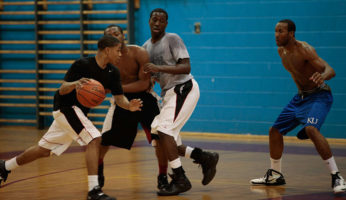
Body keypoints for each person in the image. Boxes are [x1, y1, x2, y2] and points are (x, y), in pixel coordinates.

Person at [0, 35, 143, 200]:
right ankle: (94, 190)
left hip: (78, 113)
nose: (120, 54)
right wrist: (76, 83)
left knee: (44, 150)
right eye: (118, 51)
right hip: (66, 107)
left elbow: (119, 98)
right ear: (107, 50)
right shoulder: (82, 65)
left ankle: (5, 166)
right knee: (94, 139)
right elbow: (62, 89)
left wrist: (129, 106)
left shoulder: (113, 72)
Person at [250, 19, 346, 194]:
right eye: (275, 31)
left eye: (281, 31)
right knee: (275, 131)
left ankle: (336, 176)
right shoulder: (281, 51)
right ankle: (275, 175)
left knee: (310, 129)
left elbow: (330, 69)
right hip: (300, 98)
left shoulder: (305, 50)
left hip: (319, 96)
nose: (276, 35)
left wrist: (323, 76)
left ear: (291, 33)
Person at [142, 8, 219, 196]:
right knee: (161, 139)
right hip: (169, 93)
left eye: (161, 20)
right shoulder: (145, 47)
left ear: (166, 24)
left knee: (164, 130)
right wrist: (151, 80)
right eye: (154, 19)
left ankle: (180, 178)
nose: (157, 23)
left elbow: (186, 66)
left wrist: (158, 68)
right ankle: (203, 157)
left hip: (184, 88)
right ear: (149, 21)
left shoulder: (172, 39)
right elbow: (153, 75)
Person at [97, 24, 168, 189]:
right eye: (109, 35)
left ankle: (163, 176)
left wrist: (114, 88)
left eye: (116, 33)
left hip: (144, 98)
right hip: (121, 100)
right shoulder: (104, 61)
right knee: (103, 140)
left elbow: (144, 84)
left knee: (160, 139)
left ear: (123, 36)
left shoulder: (139, 53)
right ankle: (98, 173)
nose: (114, 36)